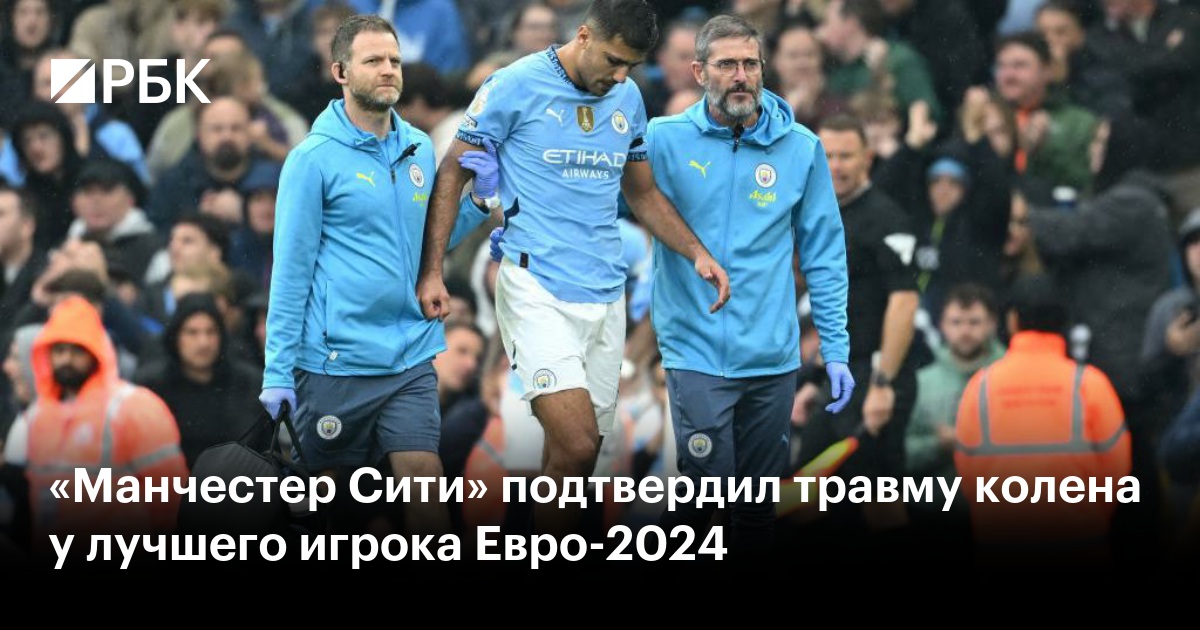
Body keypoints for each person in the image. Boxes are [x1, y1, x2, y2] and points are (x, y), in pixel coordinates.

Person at [416, 0, 731, 538]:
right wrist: (432, 270)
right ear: (583, 35)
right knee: (578, 443)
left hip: (605, 294)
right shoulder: (514, 84)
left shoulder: (627, 98)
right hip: (534, 285)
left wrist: (696, 251)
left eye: (631, 65)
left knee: (578, 461)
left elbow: (643, 193)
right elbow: (452, 172)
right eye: (613, 60)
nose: (621, 75)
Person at [258, 14, 493, 538]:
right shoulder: (311, 160)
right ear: (340, 72)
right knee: (330, 514)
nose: (388, 70)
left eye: (394, 60)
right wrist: (277, 371)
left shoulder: (418, 147)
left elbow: (423, 245)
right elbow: (290, 273)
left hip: (409, 353)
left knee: (426, 489)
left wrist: (476, 204)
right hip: (335, 361)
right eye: (373, 61)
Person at [634, 14, 853, 560]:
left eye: (750, 64)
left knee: (756, 509)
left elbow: (825, 255)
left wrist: (836, 348)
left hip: (772, 356)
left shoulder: (800, 148)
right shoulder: (663, 139)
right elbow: (601, 197)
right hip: (694, 350)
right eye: (727, 64)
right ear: (698, 72)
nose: (741, 76)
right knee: (706, 494)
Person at [797, 113, 920, 536]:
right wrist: (815, 379)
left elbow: (904, 302)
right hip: (838, 378)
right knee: (803, 497)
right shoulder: (821, 215)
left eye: (846, 156)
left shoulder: (887, 218)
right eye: (827, 156)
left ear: (867, 158)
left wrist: (884, 383)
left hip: (877, 374)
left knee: (880, 504)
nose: (836, 166)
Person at [955, 274, 1132, 567]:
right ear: (1064, 323)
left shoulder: (981, 386)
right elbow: (1118, 470)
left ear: (1013, 320)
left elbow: (966, 468)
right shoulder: (1090, 384)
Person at [22, 296, 189, 558]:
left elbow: (169, 498)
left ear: (95, 352)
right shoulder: (38, 416)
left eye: (77, 351)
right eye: (59, 350)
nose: (66, 359)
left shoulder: (133, 407)